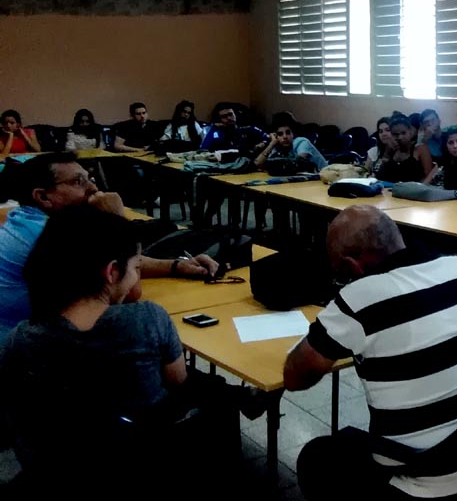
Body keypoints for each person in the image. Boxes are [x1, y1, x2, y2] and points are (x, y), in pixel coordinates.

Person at [0, 206, 265, 493]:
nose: (137, 276)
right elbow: (179, 381)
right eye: (136, 268)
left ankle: (239, 396)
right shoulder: (146, 319)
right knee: (205, 386)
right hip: (141, 463)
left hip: (53, 472)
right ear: (112, 271)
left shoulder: (19, 339)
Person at [284, 206, 457, 500]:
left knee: (318, 458)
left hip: (427, 482)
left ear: (352, 266)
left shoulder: (357, 300)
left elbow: (294, 377)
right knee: (353, 440)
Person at [0, 153, 217, 343]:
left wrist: (177, 266)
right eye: (78, 182)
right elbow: (130, 293)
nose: (93, 188)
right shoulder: (47, 236)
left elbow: (114, 265)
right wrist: (116, 218)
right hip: (26, 354)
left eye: (89, 179)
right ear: (42, 196)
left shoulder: (26, 219)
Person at [254, 115, 328, 171]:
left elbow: (298, 163)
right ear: (275, 136)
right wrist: (272, 144)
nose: (285, 137)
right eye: (280, 134)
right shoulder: (277, 147)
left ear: (293, 134)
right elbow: (257, 164)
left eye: (288, 133)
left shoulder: (302, 142)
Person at [376, 112, 433, 182]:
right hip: (390, 187)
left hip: (414, 188)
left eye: (403, 133)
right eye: (395, 134)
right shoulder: (391, 149)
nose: (400, 137)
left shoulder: (420, 148)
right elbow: (379, 176)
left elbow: (429, 177)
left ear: (410, 132)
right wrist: (387, 154)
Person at [199, 103, 268, 155]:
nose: (229, 118)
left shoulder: (248, 129)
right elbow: (203, 150)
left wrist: (263, 143)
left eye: (230, 114)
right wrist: (214, 127)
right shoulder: (217, 134)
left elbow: (269, 137)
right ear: (219, 120)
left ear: (235, 114)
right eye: (224, 116)